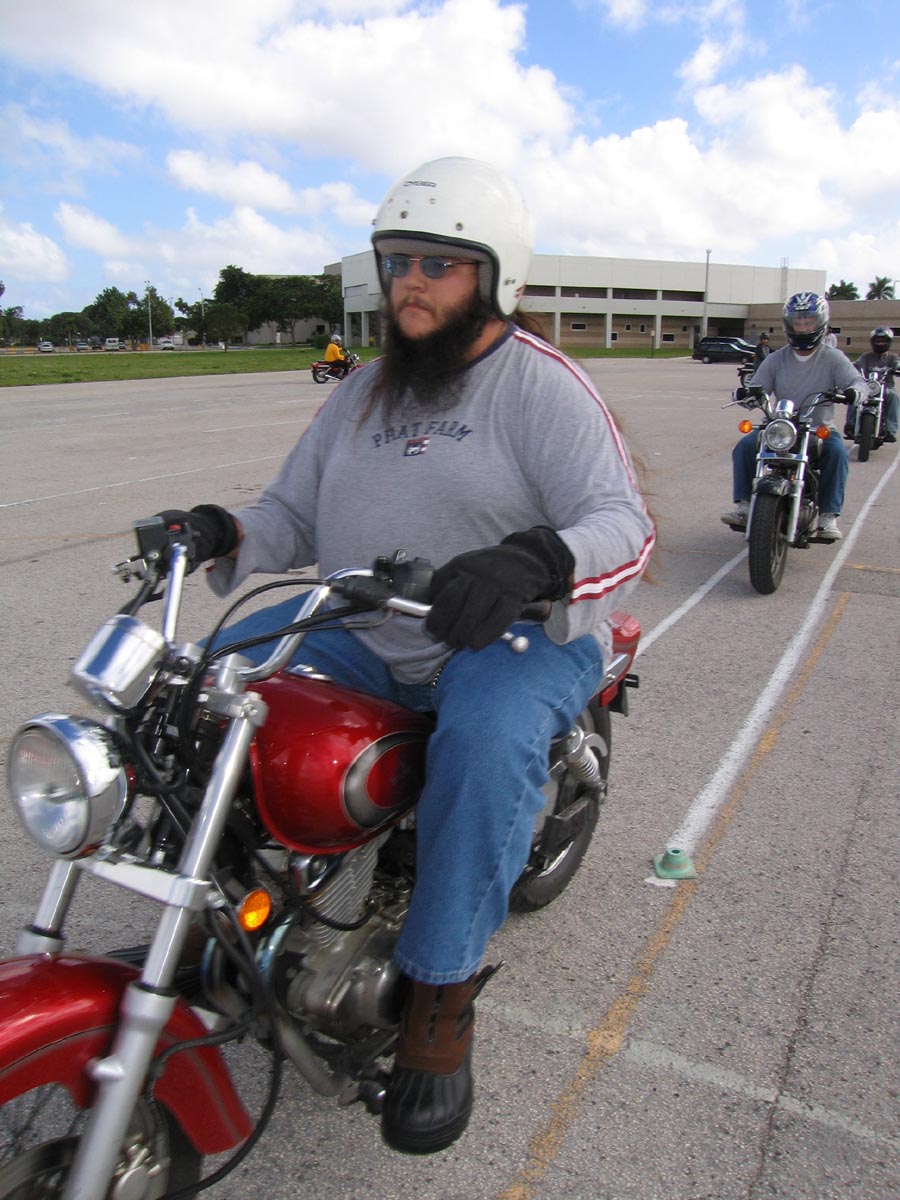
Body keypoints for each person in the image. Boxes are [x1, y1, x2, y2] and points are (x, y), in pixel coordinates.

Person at [155, 156, 655, 1156]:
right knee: (211, 684)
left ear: (494, 276)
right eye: (398, 263)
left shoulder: (541, 385)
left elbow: (625, 525)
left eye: (437, 264)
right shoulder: (361, 393)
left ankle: (439, 999)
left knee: (485, 741)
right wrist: (222, 529)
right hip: (369, 625)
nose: (410, 284)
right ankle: (216, 901)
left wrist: (539, 560)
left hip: (509, 632)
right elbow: (291, 513)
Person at [721, 292, 863, 541]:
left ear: (820, 323)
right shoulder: (776, 359)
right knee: (745, 447)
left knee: (837, 453)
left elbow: (856, 381)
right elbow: (758, 386)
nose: (803, 327)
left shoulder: (833, 358)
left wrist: (854, 392)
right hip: (781, 427)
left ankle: (828, 515)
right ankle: (744, 506)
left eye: (808, 322)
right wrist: (748, 394)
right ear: (789, 324)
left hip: (818, 427)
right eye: (798, 322)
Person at [845, 326, 899, 443]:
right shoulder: (866, 356)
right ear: (872, 342)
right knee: (854, 394)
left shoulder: (892, 357)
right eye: (878, 341)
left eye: (883, 341)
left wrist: (898, 368)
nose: (880, 344)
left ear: (888, 342)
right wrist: (850, 368)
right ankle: (850, 424)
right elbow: (857, 364)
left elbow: (897, 364)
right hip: (867, 387)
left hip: (885, 387)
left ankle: (891, 430)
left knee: (893, 396)